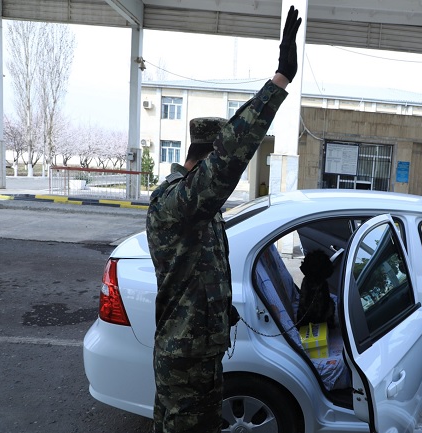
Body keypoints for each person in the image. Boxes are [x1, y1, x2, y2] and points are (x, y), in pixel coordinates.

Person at [145, 7, 302, 433]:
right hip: (184, 361)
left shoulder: (202, 212)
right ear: (206, 158)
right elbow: (230, 158)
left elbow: (200, 273)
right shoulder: (175, 202)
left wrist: (224, 314)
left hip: (202, 354)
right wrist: (278, 82)